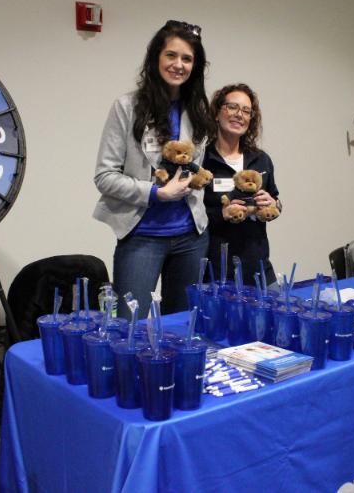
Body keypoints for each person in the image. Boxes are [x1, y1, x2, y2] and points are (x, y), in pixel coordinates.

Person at [93, 20, 213, 320]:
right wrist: (157, 193)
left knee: (182, 328)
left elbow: (197, 167)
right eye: (171, 55)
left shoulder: (198, 110)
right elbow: (105, 177)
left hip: (191, 238)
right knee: (129, 328)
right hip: (142, 237)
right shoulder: (127, 107)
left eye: (187, 58)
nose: (178, 64)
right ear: (156, 57)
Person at [203, 83, 282, 288]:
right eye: (232, 107)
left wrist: (273, 204)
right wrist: (221, 214)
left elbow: (276, 200)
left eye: (246, 111)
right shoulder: (203, 160)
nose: (239, 115)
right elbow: (190, 215)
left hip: (258, 268)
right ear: (217, 113)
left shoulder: (261, 159)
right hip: (216, 272)